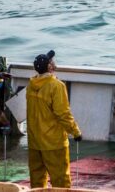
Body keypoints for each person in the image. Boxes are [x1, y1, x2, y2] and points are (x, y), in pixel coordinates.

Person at [26, 50, 82, 188]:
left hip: (34, 141)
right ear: (50, 67)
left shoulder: (30, 86)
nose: (54, 62)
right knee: (61, 181)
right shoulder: (57, 86)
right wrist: (75, 132)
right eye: (51, 61)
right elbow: (63, 114)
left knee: (37, 181)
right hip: (53, 143)